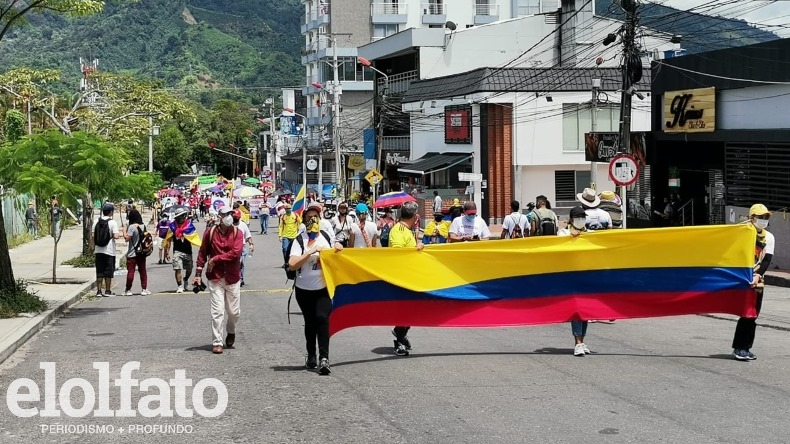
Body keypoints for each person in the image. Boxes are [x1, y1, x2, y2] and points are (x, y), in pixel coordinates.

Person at [288, 202, 344, 374]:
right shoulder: (300, 239)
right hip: (304, 290)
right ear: (304, 221)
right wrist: (310, 252)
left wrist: (338, 248)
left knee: (322, 318)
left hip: (323, 288)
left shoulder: (326, 237)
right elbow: (292, 264)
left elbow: (338, 252)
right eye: (309, 217)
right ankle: (311, 355)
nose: (313, 220)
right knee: (310, 322)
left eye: (316, 217)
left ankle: (324, 358)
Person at [194, 206, 244, 355]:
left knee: (234, 312)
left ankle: (231, 330)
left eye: (230, 214)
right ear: (219, 217)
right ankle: (217, 341)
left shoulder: (237, 232)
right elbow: (202, 253)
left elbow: (236, 253)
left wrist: (216, 258)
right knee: (217, 311)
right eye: (225, 214)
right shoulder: (210, 233)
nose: (229, 216)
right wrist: (198, 273)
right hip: (215, 277)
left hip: (232, 277)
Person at [732, 203, 775, 361]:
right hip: (740, 278)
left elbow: (767, 259)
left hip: (756, 280)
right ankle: (740, 348)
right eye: (760, 217)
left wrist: (757, 275)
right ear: (752, 217)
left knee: (752, 313)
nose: (763, 220)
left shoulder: (769, 237)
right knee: (745, 312)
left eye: (766, 217)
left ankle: (744, 348)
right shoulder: (741, 233)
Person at [389, 201, 425, 356]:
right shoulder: (398, 230)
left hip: (410, 276)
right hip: (401, 277)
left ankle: (401, 332)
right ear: (415, 216)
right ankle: (399, 338)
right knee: (405, 309)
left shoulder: (407, 230)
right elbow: (397, 253)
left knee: (411, 309)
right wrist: (415, 249)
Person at [558, 206, 593, 356]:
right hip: (571, 275)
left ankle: (582, 341)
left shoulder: (590, 233)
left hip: (587, 275)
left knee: (585, 310)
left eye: (582, 217)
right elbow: (559, 246)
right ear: (572, 220)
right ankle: (577, 342)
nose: (581, 220)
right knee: (577, 309)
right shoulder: (564, 233)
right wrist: (570, 237)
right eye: (578, 218)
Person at [162, 208, 201, 293]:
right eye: (180, 217)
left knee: (189, 269)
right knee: (177, 268)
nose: (182, 218)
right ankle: (180, 285)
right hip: (177, 251)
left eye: (183, 216)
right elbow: (167, 240)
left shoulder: (189, 226)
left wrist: (201, 247)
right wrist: (167, 252)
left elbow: (195, 237)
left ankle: (186, 279)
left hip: (187, 251)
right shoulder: (172, 227)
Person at [92, 203, 121, 297]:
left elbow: (93, 236)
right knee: (108, 272)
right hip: (109, 251)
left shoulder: (96, 221)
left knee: (99, 271)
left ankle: (99, 291)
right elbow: (116, 236)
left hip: (98, 250)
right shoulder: (112, 222)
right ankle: (108, 291)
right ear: (111, 212)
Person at [122, 209, 150, 296]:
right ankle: (144, 289)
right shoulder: (143, 226)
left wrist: (124, 231)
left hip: (132, 253)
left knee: (131, 272)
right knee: (143, 271)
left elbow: (127, 239)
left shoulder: (131, 227)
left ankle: (128, 289)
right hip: (142, 253)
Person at [232, 209, 254, 287]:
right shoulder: (229, 225)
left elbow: (248, 236)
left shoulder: (243, 225)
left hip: (242, 247)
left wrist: (251, 244)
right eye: (234, 217)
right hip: (231, 248)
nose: (235, 219)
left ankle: (240, 279)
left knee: (241, 264)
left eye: (236, 218)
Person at [279, 203, 301, 268]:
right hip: (285, 235)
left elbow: (300, 223)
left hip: (294, 236)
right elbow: (280, 226)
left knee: (293, 250)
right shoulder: (283, 216)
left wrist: (300, 233)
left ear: (291, 209)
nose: (287, 210)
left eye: (289, 209)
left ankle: (292, 262)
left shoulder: (295, 215)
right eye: (286, 209)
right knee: (285, 249)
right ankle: (286, 262)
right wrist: (280, 235)